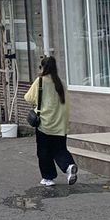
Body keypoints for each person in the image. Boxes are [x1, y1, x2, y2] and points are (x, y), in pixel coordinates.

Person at [25, 56, 78, 187]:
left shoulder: (40, 81)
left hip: (45, 123)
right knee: (60, 149)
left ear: (43, 67)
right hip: (60, 124)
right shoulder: (61, 83)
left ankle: (48, 178)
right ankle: (69, 166)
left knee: (44, 152)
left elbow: (28, 97)